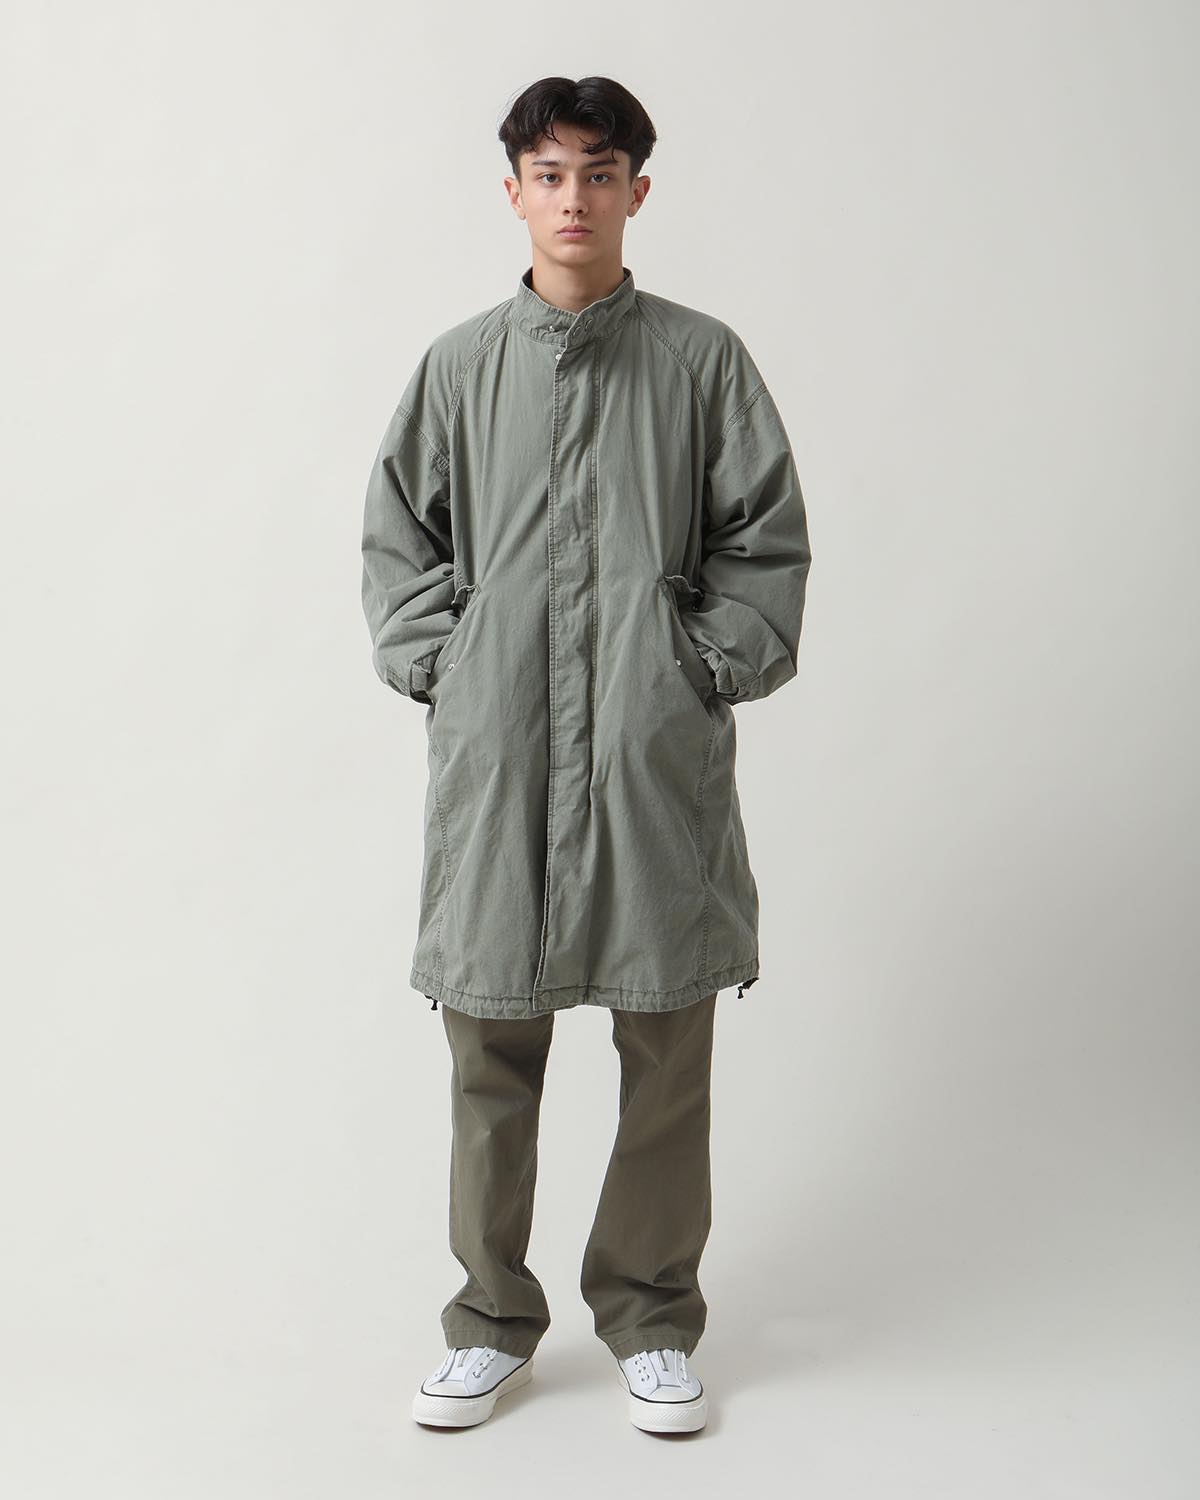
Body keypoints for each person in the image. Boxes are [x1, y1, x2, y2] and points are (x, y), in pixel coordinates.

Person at [360, 75, 812, 1434]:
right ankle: (490, 1320)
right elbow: (399, 544)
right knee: (488, 1049)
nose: (574, 198)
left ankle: (652, 1316)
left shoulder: (700, 362)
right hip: (501, 763)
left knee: (666, 1049)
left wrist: (695, 669)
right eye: (549, 174)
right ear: (513, 192)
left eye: (599, 173)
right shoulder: (458, 369)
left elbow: (765, 542)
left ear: (636, 192)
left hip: (646, 762)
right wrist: (451, 666)